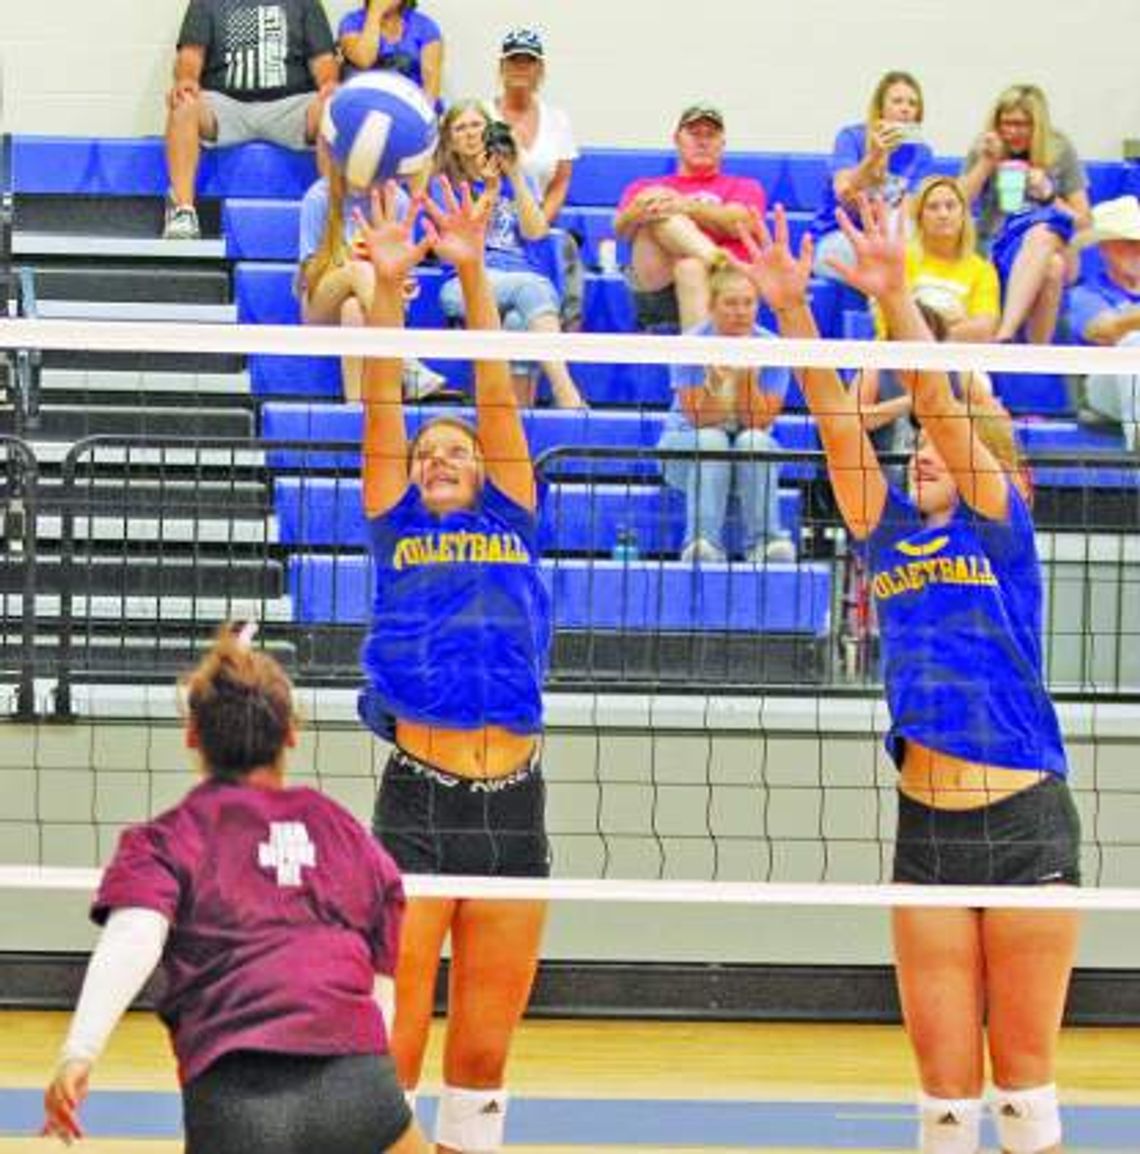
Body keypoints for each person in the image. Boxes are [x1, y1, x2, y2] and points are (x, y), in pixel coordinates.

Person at [734, 200, 1081, 1154]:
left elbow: (934, 404)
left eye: (946, 444)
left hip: (1024, 825)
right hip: (927, 827)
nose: (926, 449)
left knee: (1024, 1100)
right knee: (942, 1106)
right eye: (920, 448)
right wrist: (796, 315)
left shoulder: (1001, 528)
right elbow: (839, 425)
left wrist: (896, 302)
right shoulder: (887, 534)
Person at [42, 623, 426, 1154]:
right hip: (357, 1083)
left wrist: (78, 1054)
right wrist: (371, 1075)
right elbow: (382, 973)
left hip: (236, 1096)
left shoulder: (165, 840)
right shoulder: (343, 831)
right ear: (291, 732)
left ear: (192, 735)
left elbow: (133, 937)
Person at [353, 177, 552, 1154]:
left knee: (481, 1051)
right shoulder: (394, 524)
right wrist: (390, 289)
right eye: (426, 451)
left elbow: (495, 388)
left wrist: (473, 271)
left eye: (454, 450)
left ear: (484, 471)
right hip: (418, 803)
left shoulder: (510, 514)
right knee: (389, 1044)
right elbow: (385, 398)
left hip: (514, 806)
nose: (437, 455)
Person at [432, 100, 585, 407]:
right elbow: (465, 244)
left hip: (518, 278)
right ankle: (567, 393)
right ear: (450, 140)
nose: (470, 134)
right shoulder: (443, 185)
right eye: (460, 128)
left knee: (517, 323)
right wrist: (489, 189)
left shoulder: (519, 178)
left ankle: (516, 423)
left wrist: (514, 175)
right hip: (466, 282)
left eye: (476, 125)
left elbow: (536, 232)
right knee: (532, 287)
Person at [164, 0, 338, 240]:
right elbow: (191, 54)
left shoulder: (306, 3)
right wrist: (186, 79)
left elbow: (324, 60)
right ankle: (183, 210)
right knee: (183, 103)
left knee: (333, 109)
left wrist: (329, 85)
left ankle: (335, 217)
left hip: (291, 107)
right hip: (226, 105)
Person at [657, 264, 795, 563]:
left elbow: (759, 422)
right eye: (731, 303)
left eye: (748, 303)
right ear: (711, 306)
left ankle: (767, 544)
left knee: (755, 442)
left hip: (749, 462)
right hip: (687, 452)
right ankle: (702, 543)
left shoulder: (773, 348)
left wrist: (746, 381)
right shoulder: (690, 346)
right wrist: (716, 387)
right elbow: (698, 419)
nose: (741, 311)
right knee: (710, 439)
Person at [298, 144, 445, 401]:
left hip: (380, 298)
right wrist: (345, 261)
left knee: (354, 309)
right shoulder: (318, 196)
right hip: (321, 301)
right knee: (359, 269)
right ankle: (406, 363)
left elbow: (401, 269)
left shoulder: (397, 199)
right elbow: (308, 276)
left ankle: (355, 407)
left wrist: (403, 282)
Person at [614, 105, 767, 332]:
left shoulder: (744, 186)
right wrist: (642, 210)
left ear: (722, 144)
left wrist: (684, 206)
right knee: (655, 204)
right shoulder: (645, 185)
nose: (702, 142)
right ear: (677, 139)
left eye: (711, 135)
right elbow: (621, 231)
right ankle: (717, 261)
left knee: (690, 268)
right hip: (661, 285)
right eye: (695, 134)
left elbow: (740, 224)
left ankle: (698, 364)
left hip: (729, 289)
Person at [962, 84, 1090, 344]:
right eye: (1006, 123)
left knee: (1044, 231)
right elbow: (957, 202)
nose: (1011, 132)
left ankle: (1005, 333)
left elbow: (1083, 221)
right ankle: (1034, 359)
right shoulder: (986, 146)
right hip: (998, 243)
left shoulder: (1059, 149)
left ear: (1037, 125)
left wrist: (1048, 195)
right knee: (1051, 268)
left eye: (1021, 125)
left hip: (1054, 240)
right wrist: (986, 163)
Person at [490, 27, 583, 330]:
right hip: (492, 226)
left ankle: (568, 325)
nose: (520, 67)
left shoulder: (557, 120)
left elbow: (561, 182)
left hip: (537, 221)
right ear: (501, 67)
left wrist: (540, 223)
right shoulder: (483, 113)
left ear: (539, 69)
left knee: (521, 319)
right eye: (513, 60)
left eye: (527, 61)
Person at [810, 70, 936, 282]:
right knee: (894, 271)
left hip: (888, 246)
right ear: (880, 107)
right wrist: (874, 156)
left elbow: (907, 215)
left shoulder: (921, 153)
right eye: (897, 101)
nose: (905, 109)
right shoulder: (851, 138)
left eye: (913, 104)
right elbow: (844, 194)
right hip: (839, 238)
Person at [1066, 195, 1140, 453]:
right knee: (1134, 342)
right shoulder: (1086, 294)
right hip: (1104, 391)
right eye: (1127, 244)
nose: (1136, 251)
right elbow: (1104, 329)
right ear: (1105, 247)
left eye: (1139, 244)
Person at [337, 0, 443, 110]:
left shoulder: (424, 26)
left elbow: (431, 84)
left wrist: (421, 115)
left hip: (411, 109)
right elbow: (365, 60)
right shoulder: (352, 22)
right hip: (364, 107)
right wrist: (375, 13)